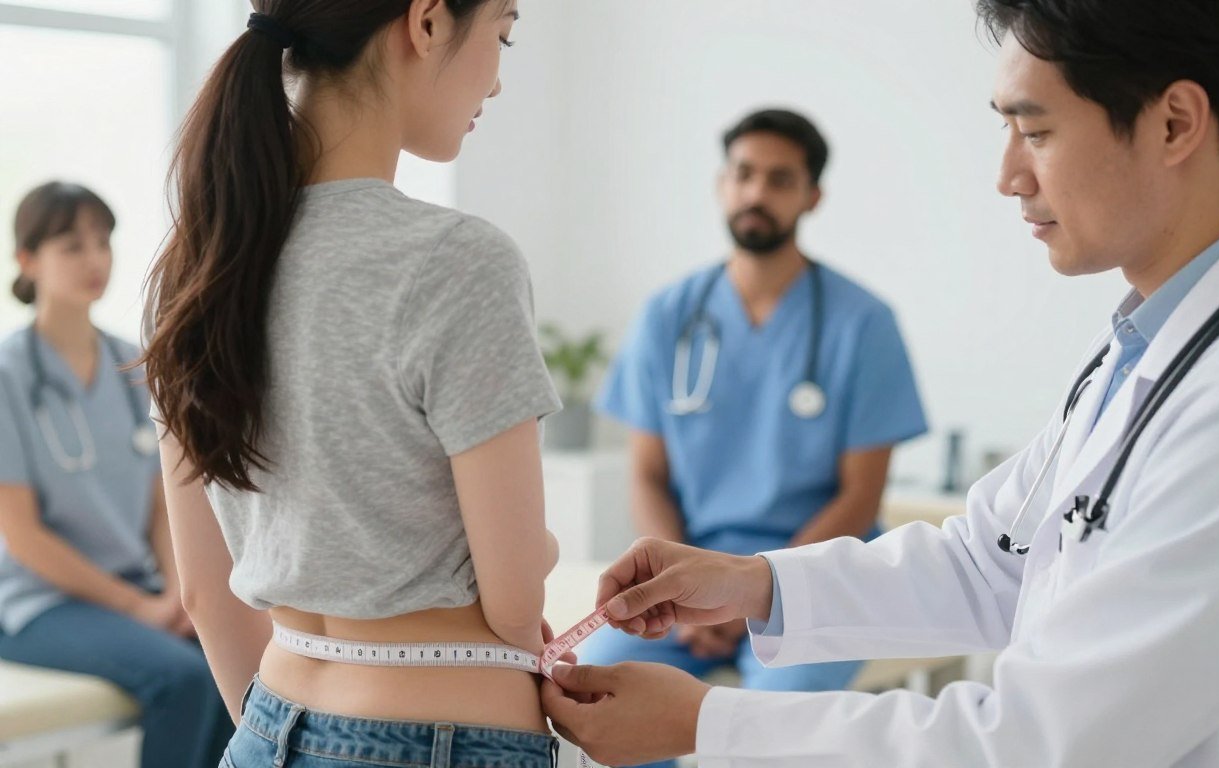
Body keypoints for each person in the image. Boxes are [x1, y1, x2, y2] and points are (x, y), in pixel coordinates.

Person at [541, 1, 1219, 765]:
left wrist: (703, 723)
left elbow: (1040, 745)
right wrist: (750, 581)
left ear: (1175, 123)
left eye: (1034, 130)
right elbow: (987, 561)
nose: (1008, 176)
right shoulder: (1148, 341)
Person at [141, 2, 568, 767]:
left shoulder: (199, 264)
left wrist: (285, 736)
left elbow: (205, 592)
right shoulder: (457, 260)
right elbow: (513, 606)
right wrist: (542, 546)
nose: (498, 82)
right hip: (439, 738)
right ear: (429, 21)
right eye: (500, 35)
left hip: (267, 725)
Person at [581, 110, 927, 761]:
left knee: (774, 735)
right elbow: (647, 475)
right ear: (722, 184)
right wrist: (685, 590)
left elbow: (861, 496)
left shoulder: (864, 324)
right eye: (743, 174)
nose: (756, 193)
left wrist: (749, 592)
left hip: (815, 580)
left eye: (779, 179)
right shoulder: (668, 315)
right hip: (686, 570)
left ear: (811, 196)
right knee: (594, 697)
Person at [0, 181, 235, 768]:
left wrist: (180, 590)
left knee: (236, 663)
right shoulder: (8, 376)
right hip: (39, 605)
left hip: (133, 586)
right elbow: (23, 537)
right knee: (183, 680)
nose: (95, 259)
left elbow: (163, 503)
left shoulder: (133, 365)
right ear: (27, 260)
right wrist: (139, 608)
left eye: (103, 242)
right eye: (72, 245)